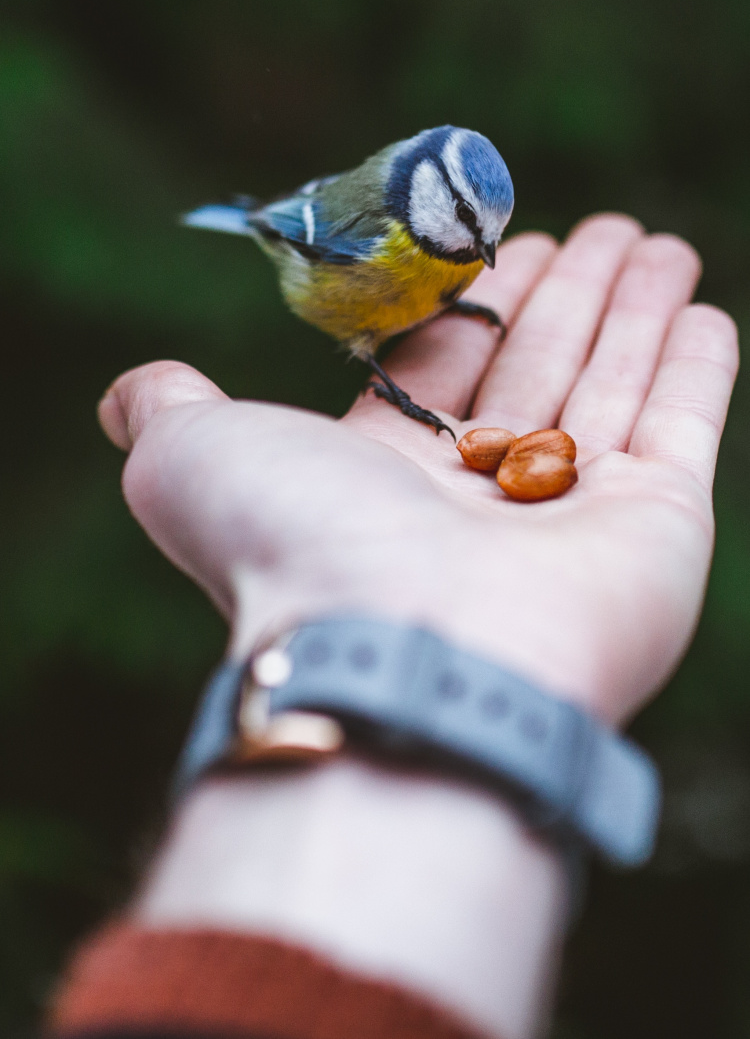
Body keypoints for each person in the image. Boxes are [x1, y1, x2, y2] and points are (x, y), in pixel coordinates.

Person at [47, 215, 738, 1039]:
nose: (483, 251)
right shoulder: (375, 226)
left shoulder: (454, 252)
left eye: (495, 236)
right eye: (468, 228)